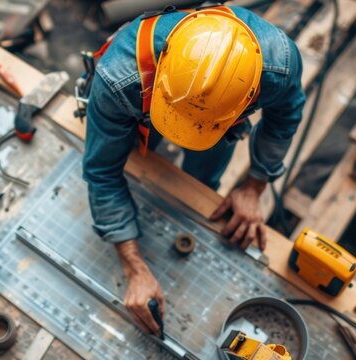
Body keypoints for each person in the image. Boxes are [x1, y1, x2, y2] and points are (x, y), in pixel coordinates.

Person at [82, 4, 305, 337]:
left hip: (219, 119)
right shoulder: (121, 77)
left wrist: (254, 186)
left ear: (249, 98)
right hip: (140, 96)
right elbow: (101, 171)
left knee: (203, 184)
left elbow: (283, 119)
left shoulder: (278, 66)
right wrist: (134, 267)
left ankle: (201, 182)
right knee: (127, 153)